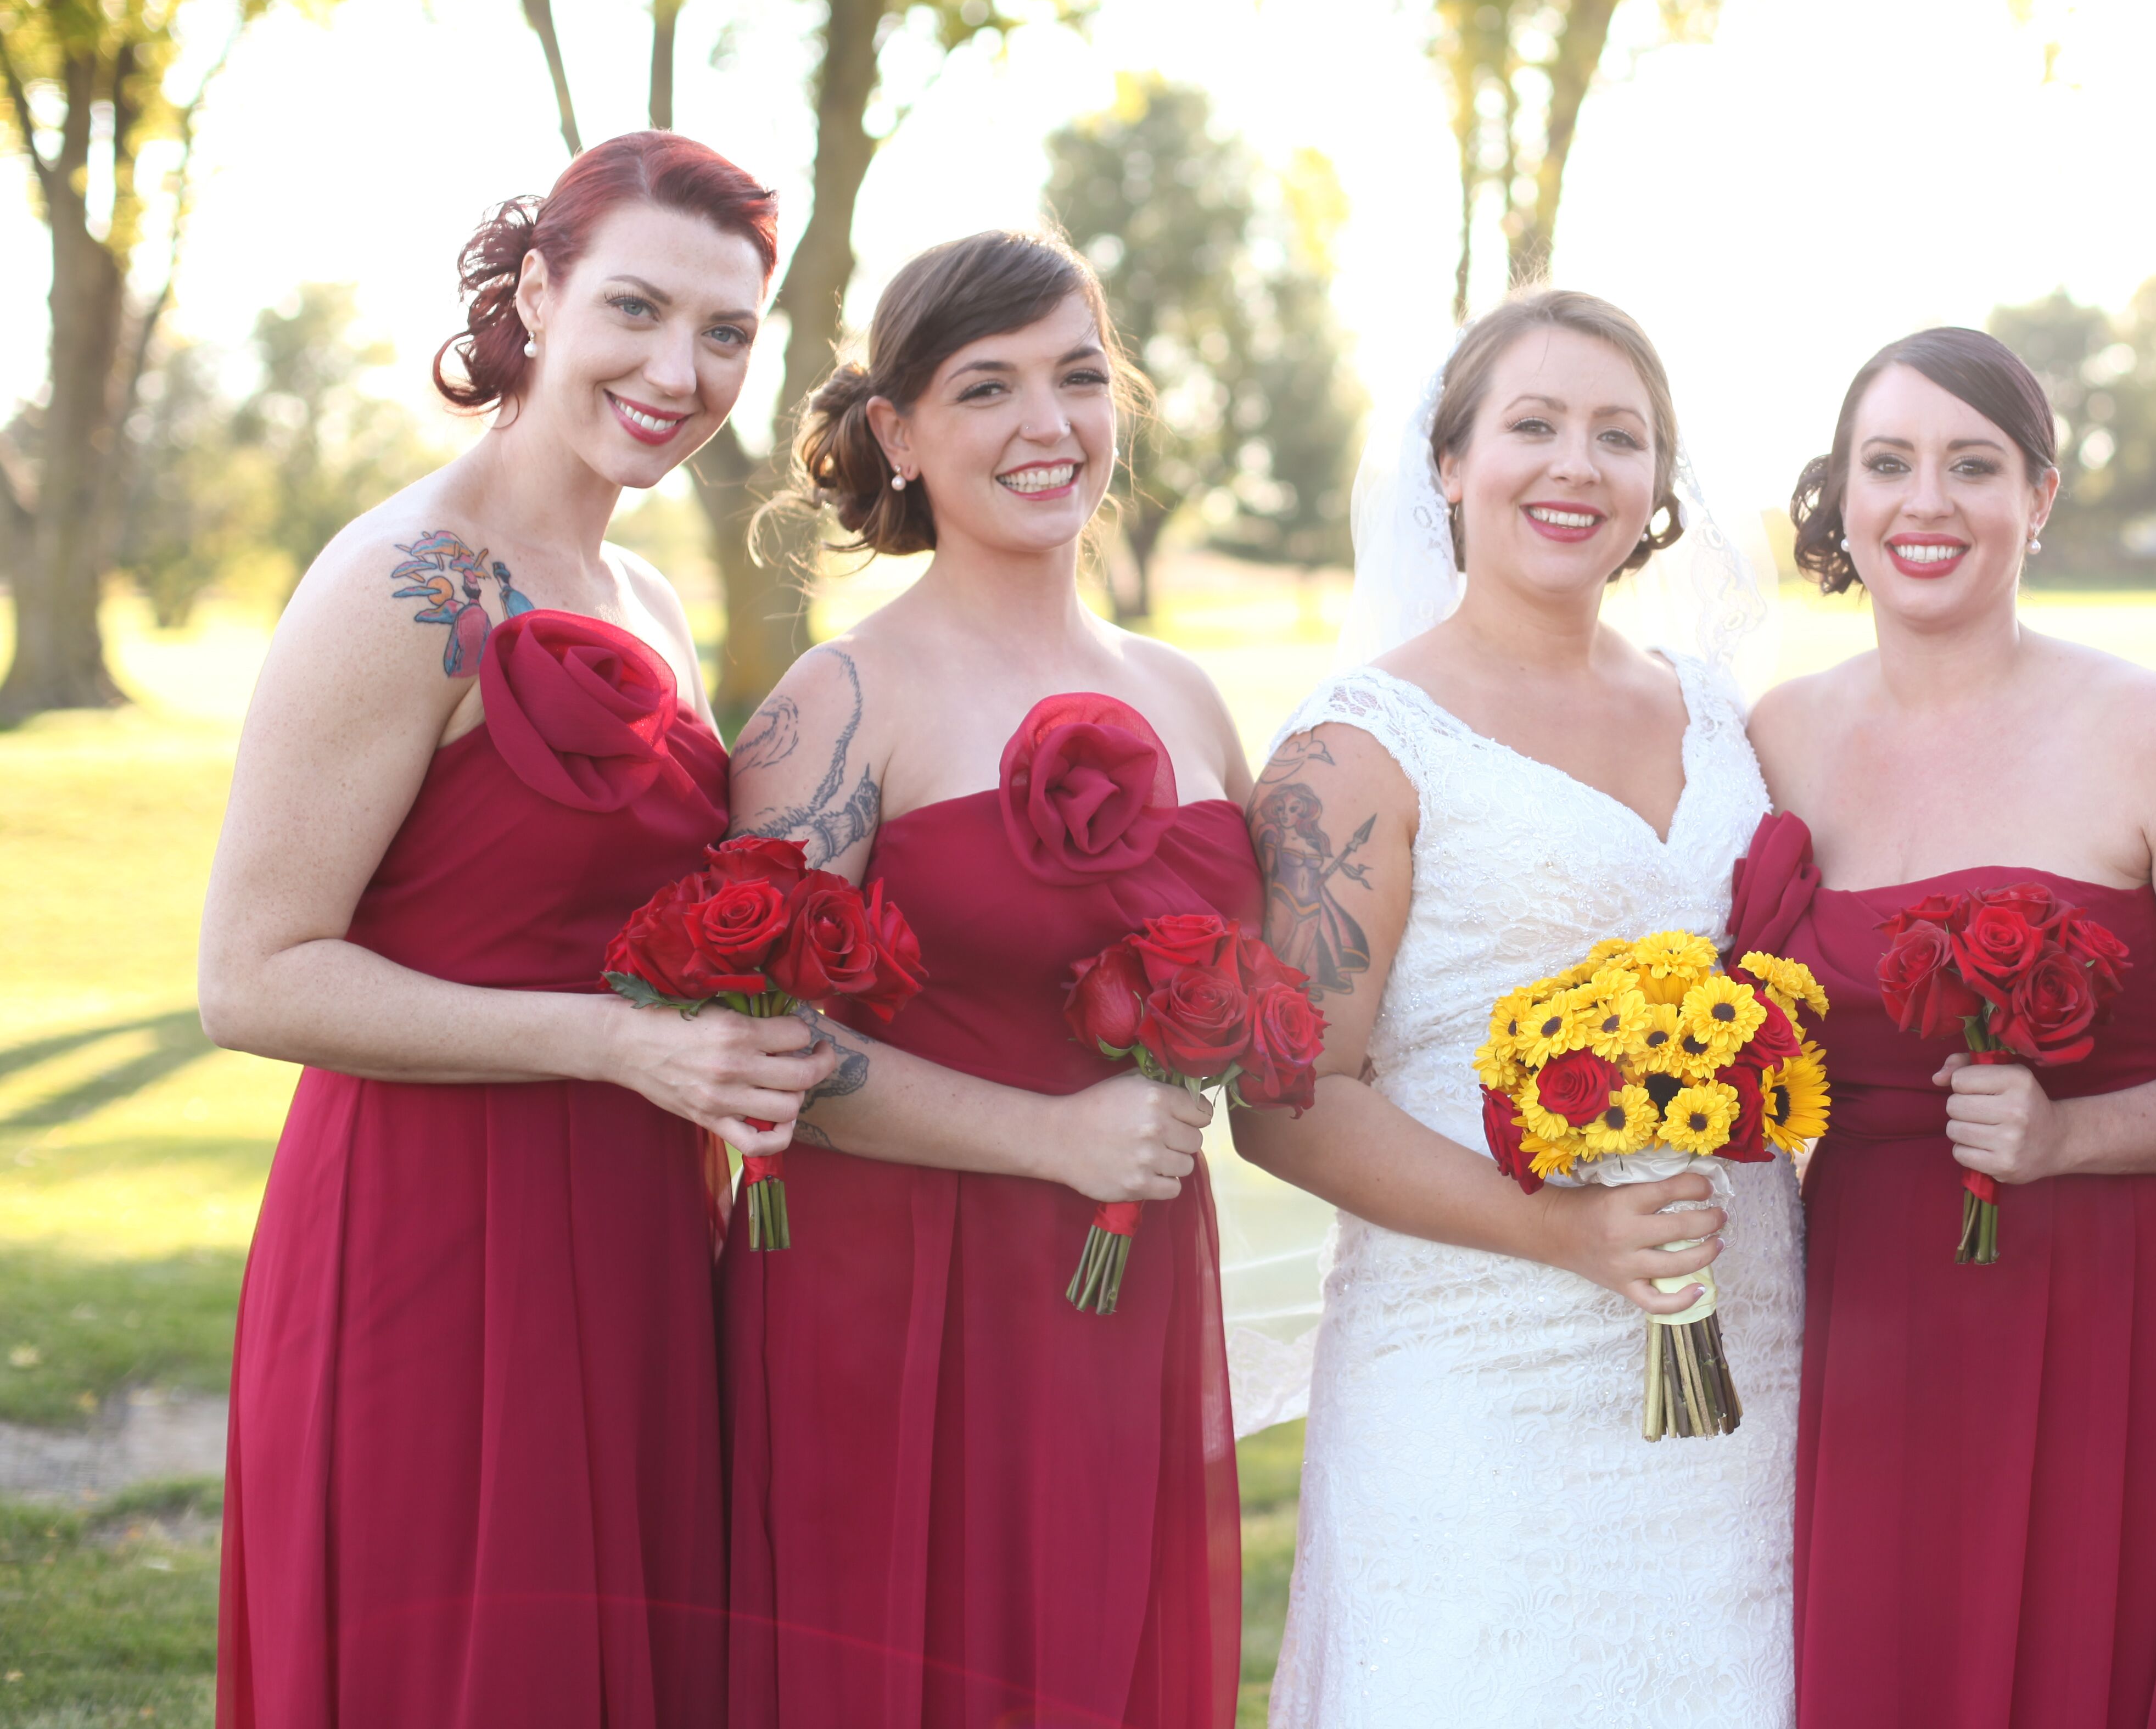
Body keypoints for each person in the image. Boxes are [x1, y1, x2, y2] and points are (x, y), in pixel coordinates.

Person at [203, 131, 823, 1726]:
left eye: (728, 332)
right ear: (539, 295)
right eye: (637, 308)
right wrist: (616, 1045)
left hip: (628, 1230)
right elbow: (252, 978)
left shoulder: (649, 603)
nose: (679, 370)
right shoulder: (402, 582)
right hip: (428, 1237)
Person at [1233, 290, 1799, 1726]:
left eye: (1622, 436)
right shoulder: (1360, 748)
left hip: (1747, 1367)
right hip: (1477, 1378)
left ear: (1659, 483)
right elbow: (1287, 1102)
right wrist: (1563, 1230)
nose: (1577, 466)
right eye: (1533, 426)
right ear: (1449, 467)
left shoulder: (1724, 715)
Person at [719, 227, 1256, 1727]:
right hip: (893, 1302)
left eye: (1079, 378)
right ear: (896, 431)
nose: (1048, 424)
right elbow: (757, 1049)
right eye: (987, 387)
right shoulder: (840, 703)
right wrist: (1051, 1136)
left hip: (1125, 1280)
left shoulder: (1190, 696)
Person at [1737, 327, 2156, 1729]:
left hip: (2130, 1293)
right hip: (1873, 1302)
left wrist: (2075, 1135)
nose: (1926, 502)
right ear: (1844, 495)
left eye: (1972, 466)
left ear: (2039, 498)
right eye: (1890, 464)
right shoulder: (1772, 742)